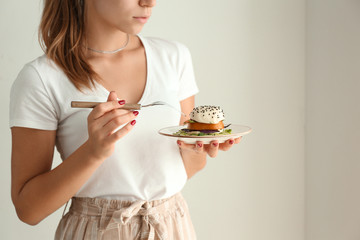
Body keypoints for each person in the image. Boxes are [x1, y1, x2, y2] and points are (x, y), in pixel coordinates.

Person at [9, 0, 241, 239]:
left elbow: (185, 167)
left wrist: (199, 149)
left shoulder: (174, 58)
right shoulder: (41, 78)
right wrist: (93, 152)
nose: (149, 2)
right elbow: (29, 210)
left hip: (172, 227)